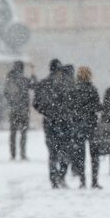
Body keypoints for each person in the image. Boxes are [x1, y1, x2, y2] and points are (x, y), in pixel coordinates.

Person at [33, 59, 74, 188]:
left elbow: (36, 104)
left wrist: (46, 111)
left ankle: (54, 179)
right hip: (65, 122)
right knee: (65, 151)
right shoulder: (67, 83)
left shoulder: (43, 84)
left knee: (52, 153)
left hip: (50, 122)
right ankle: (61, 176)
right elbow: (73, 102)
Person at [70, 67, 102, 189]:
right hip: (91, 125)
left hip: (78, 126)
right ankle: (94, 181)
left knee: (80, 155)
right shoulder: (92, 89)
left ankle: (82, 181)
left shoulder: (74, 90)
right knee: (94, 155)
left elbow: (70, 107)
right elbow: (97, 107)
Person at [3, 60, 33, 160]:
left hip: (13, 110)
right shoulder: (24, 79)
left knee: (13, 132)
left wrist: (12, 103)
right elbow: (33, 85)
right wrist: (33, 75)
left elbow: (6, 93)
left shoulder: (10, 79)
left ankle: (13, 154)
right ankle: (23, 154)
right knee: (23, 133)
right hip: (24, 110)